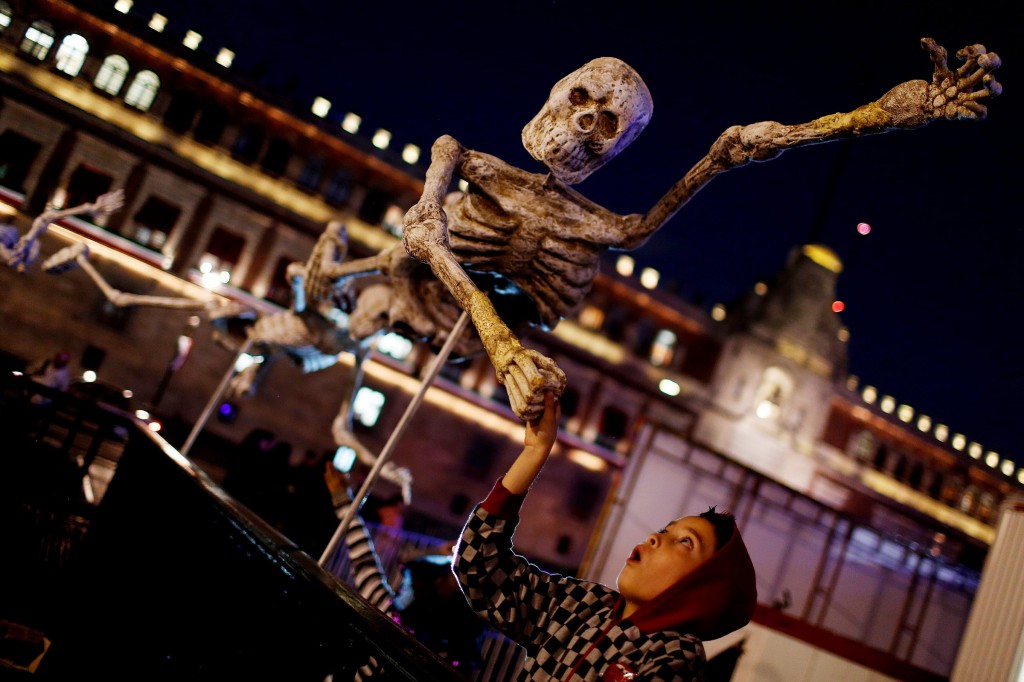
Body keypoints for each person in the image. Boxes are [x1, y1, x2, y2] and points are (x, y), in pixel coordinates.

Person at [454, 392, 757, 681]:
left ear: (701, 586)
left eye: (685, 541)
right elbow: (479, 566)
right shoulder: (584, 605)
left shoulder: (674, 656)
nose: (654, 537)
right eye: (665, 530)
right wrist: (535, 452)